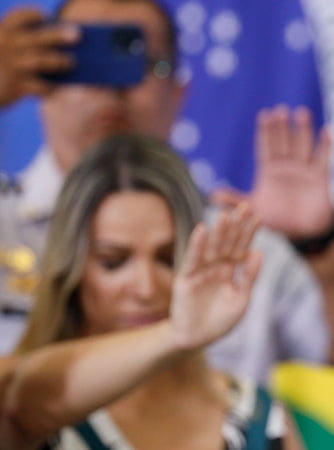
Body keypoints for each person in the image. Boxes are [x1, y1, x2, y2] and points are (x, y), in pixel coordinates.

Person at [0, 0, 334, 378]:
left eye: (138, 60)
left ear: (179, 93)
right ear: (40, 85)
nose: (111, 87)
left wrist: (321, 241)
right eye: (85, 61)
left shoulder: (235, 238)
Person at [1, 134, 271, 449]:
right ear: (70, 270)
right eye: (113, 262)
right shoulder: (27, 405)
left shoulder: (253, 411)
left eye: (167, 259)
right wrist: (174, 335)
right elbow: (13, 398)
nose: (146, 289)